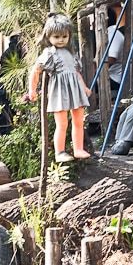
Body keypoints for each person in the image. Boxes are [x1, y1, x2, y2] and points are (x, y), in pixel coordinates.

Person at [27, 14, 92, 163]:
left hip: (75, 91)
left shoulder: (71, 53)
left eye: (64, 36)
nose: (61, 40)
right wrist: (32, 90)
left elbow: (76, 73)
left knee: (78, 121)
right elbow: (35, 71)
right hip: (59, 91)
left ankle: (78, 148)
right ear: (49, 37)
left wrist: (84, 88)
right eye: (56, 37)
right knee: (62, 123)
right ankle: (60, 152)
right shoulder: (49, 53)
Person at [105, 6, 127, 95]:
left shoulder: (112, 33)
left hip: (114, 78)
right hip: (111, 76)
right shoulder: (109, 32)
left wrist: (95, 70)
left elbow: (112, 58)